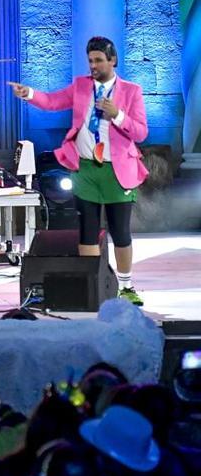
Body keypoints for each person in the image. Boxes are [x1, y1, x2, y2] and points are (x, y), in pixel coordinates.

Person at [10, 36, 149, 305]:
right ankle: (93, 284)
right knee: (87, 229)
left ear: (113, 60)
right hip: (85, 169)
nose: (93, 65)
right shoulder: (81, 86)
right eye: (90, 61)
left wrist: (117, 115)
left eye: (98, 60)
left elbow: (141, 132)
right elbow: (52, 101)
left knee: (120, 231)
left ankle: (126, 286)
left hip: (117, 170)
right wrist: (29, 93)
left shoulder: (131, 91)